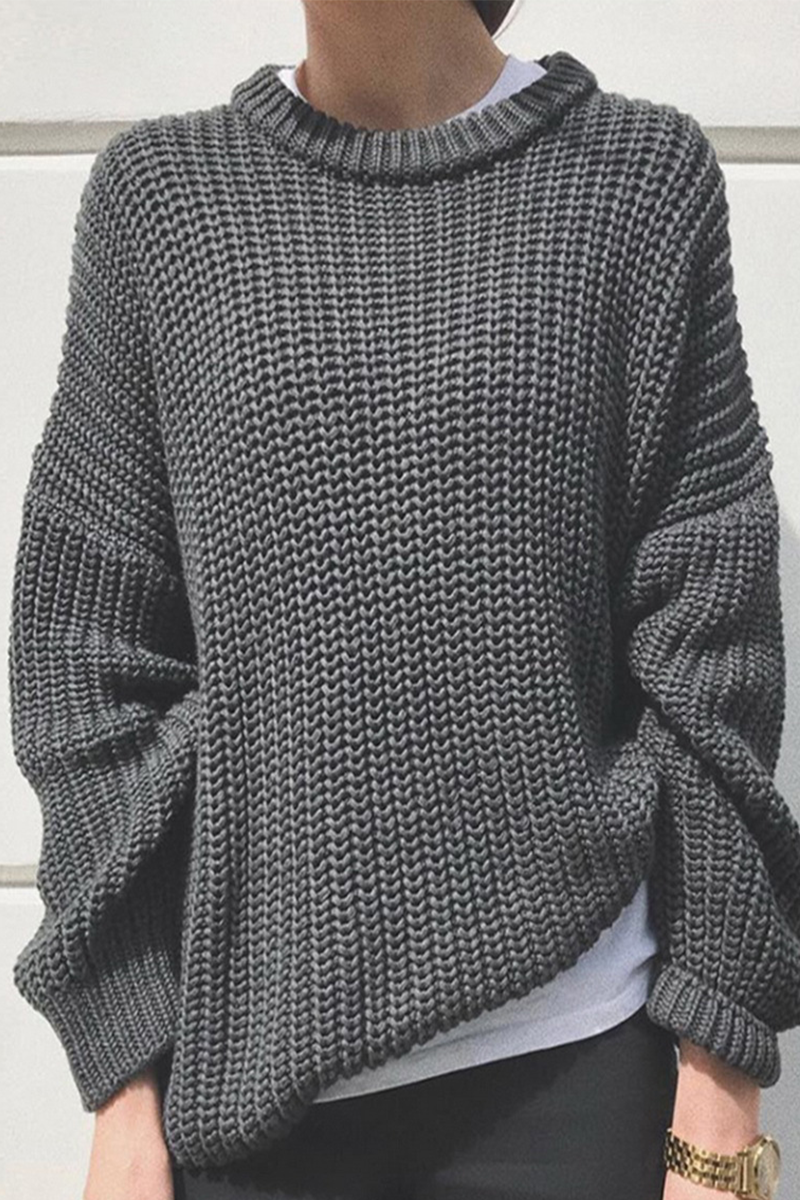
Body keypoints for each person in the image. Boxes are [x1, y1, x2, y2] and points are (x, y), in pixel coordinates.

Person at [8, 1, 798, 1198]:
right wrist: (124, 1080)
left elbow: (711, 645)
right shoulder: (163, 201)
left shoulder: (633, 178)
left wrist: (718, 1104)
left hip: (574, 1075)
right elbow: (87, 656)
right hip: (252, 1101)